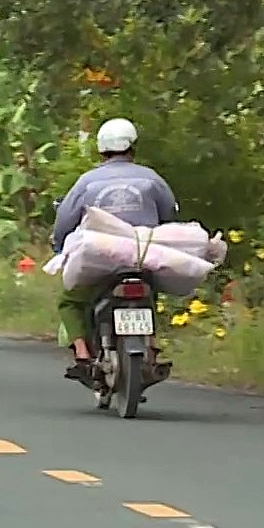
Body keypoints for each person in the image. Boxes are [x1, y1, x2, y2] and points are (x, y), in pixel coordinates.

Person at [49, 117, 179, 381]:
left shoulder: (87, 182)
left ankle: (83, 354)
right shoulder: (151, 179)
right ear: (133, 146)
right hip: (142, 256)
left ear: (101, 148)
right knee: (151, 292)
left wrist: (59, 245)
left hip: (101, 257)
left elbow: (65, 220)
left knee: (70, 300)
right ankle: (151, 349)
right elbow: (169, 216)